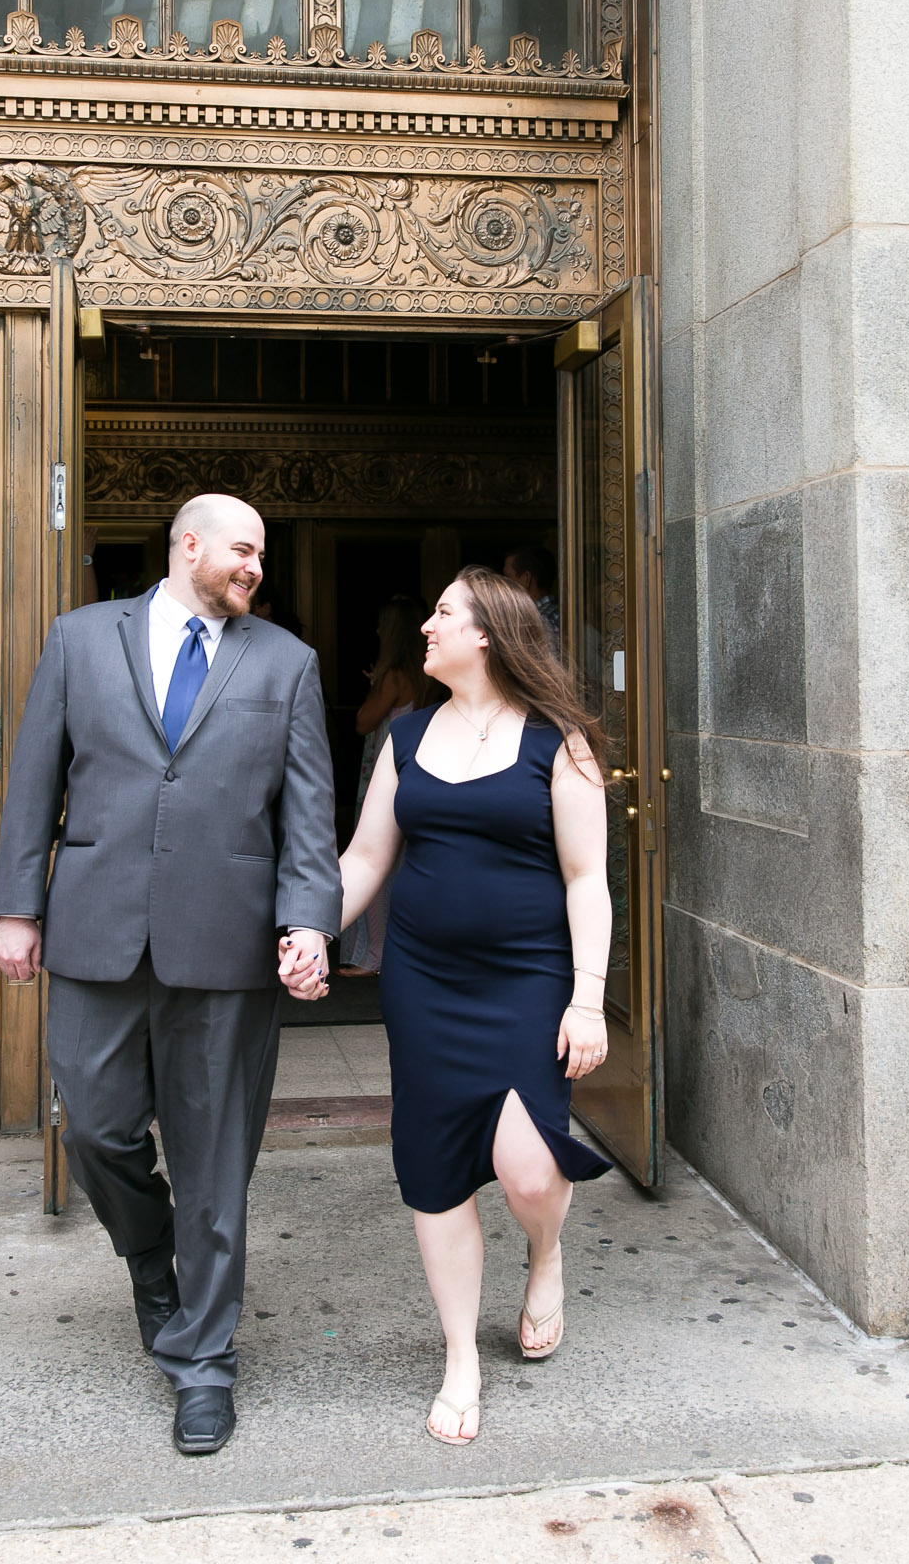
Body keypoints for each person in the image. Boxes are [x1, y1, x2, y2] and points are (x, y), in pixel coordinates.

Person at [0, 493, 341, 1457]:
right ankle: (152, 1260)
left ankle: (204, 1363)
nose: (254, 567)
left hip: (227, 946)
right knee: (97, 1130)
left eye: (261, 554)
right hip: (95, 929)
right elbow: (32, 783)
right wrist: (16, 908)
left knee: (214, 1157)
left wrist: (308, 921)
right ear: (187, 545)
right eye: (242, 549)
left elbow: (308, 814)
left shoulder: (287, 662)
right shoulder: (78, 639)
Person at [284, 565, 611, 1446]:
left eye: (440, 615)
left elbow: (587, 882)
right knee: (435, 1176)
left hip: (528, 980)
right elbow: (362, 859)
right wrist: (312, 929)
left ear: (487, 636)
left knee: (530, 1171)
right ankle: (460, 1357)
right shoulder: (405, 736)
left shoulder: (560, 741)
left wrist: (587, 1001)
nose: (423, 627)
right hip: (425, 985)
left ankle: (545, 1254)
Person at [338, 593, 436, 976]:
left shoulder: (394, 674)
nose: (377, 630)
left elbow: (363, 721)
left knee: (375, 857)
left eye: (382, 625)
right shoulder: (427, 675)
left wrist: (375, 685)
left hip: (384, 770)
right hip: (414, 770)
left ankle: (373, 954)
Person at [504, 544, 560, 648]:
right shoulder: (559, 613)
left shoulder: (539, 622)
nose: (504, 586)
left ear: (526, 578)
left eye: (508, 578)